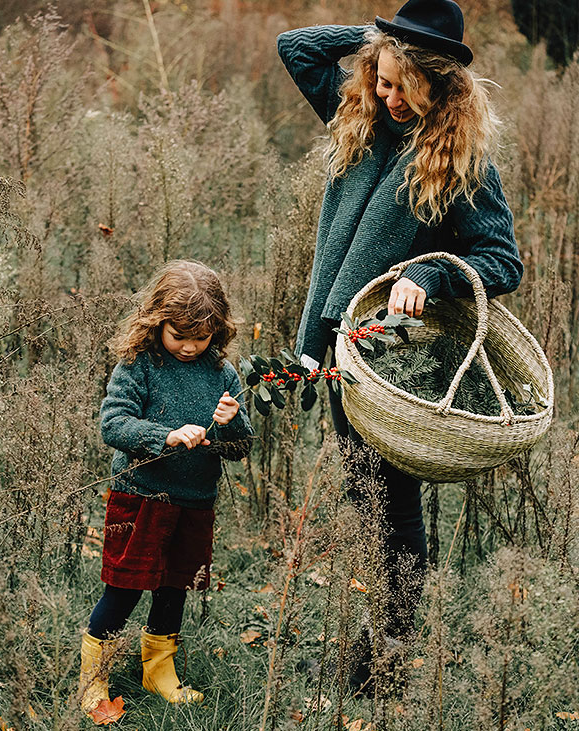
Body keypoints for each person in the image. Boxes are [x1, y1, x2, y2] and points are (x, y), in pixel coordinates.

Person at [277, 0, 522, 693]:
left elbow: (502, 261)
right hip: (337, 353)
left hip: (397, 364)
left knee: (392, 506)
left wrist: (429, 270)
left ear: (439, 83)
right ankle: (381, 643)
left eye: (402, 85)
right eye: (379, 80)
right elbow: (295, 46)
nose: (387, 97)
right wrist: (384, 41)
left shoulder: (461, 161)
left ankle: (385, 659)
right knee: (368, 499)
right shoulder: (356, 113)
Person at [78, 260, 254, 719]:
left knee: (175, 586)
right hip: (142, 496)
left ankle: (158, 670)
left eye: (203, 337)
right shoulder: (140, 365)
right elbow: (113, 423)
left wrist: (232, 425)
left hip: (195, 501)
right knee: (124, 587)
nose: (192, 347)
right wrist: (165, 435)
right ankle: (93, 678)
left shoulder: (222, 372)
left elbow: (241, 447)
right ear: (157, 323)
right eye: (180, 336)